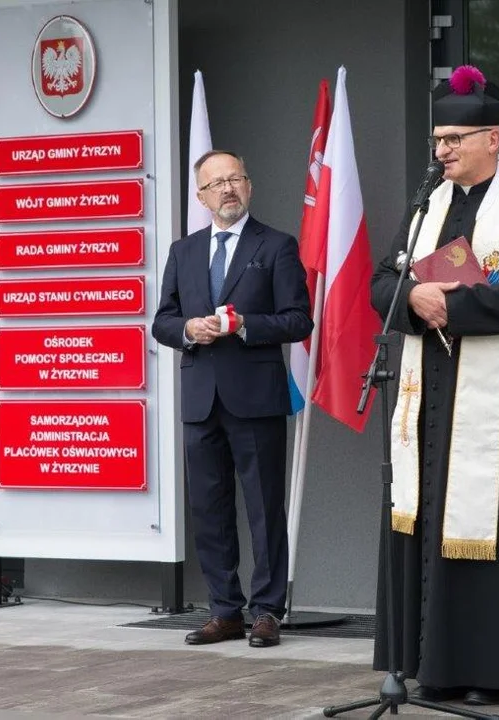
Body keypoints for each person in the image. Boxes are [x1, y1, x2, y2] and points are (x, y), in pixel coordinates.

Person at [369, 65, 499, 707]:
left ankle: (494, 667)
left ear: (494, 139)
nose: (444, 149)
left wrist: (449, 308)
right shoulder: (425, 206)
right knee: (423, 518)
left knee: (494, 527)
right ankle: (427, 663)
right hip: (426, 393)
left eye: (456, 138)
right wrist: (414, 300)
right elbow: (382, 282)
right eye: (438, 139)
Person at [151, 150, 313, 648]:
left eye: (235, 179)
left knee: (265, 507)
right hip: (201, 399)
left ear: (250, 186)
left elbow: (298, 320)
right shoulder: (183, 251)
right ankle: (224, 610)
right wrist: (187, 329)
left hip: (256, 397)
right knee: (209, 508)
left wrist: (244, 326)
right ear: (201, 196)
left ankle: (267, 611)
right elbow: (161, 321)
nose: (227, 189)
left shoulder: (278, 245)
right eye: (216, 183)